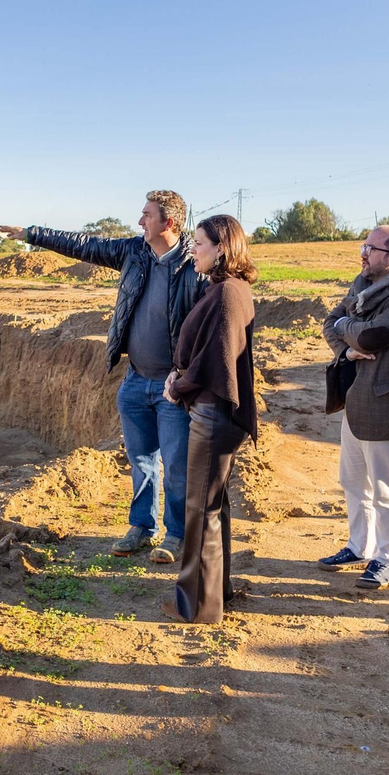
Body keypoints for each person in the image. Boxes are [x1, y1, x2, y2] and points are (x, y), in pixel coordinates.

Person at [0, 191, 208, 563]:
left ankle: (177, 535)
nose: (140, 221)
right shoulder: (134, 252)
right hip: (134, 379)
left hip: (172, 388)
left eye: (146, 215)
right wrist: (33, 234)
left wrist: (187, 376)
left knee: (177, 465)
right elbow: (84, 245)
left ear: (169, 223)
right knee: (141, 459)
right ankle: (142, 528)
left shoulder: (196, 263)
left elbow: (215, 319)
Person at [318, 225, 389, 590]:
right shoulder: (362, 283)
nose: (362, 253)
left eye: (370, 248)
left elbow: (371, 336)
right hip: (356, 400)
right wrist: (346, 349)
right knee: (352, 481)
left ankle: (387, 558)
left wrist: (347, 326)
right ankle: (359, 546)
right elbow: (330, 324)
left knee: (387, 488)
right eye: (362, 245)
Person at [158, 215, 258, 624]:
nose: (193, 249)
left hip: (212, 414)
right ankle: (217, 593)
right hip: (215, 412)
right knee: (212, 507)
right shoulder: (226, 289)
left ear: (222, 248)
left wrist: (178, 385)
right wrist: (178, 374)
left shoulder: (226, 293)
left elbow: (215, 362)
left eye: (199, 243)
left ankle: (197, 607)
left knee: (201, 511)